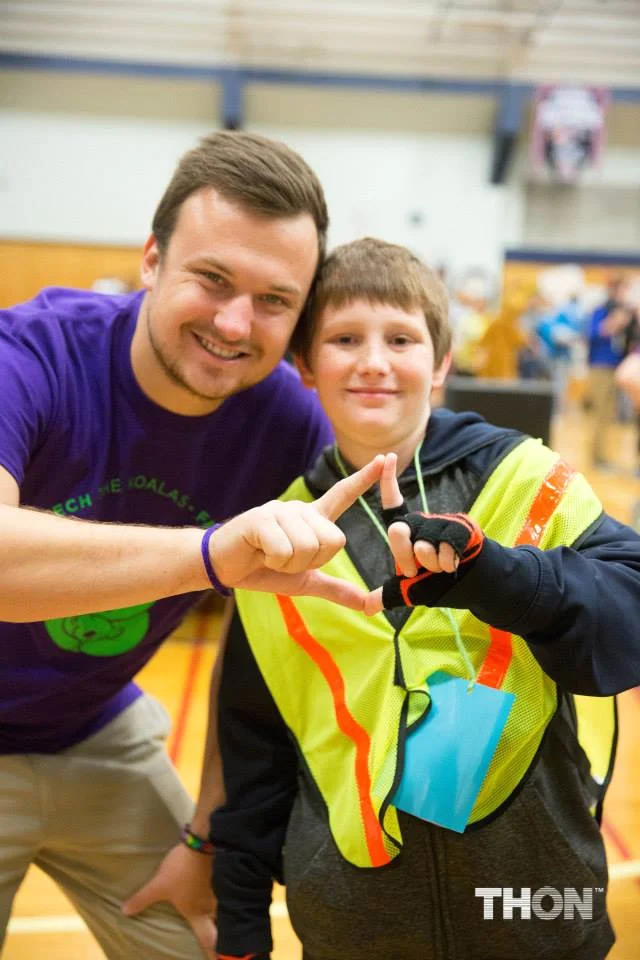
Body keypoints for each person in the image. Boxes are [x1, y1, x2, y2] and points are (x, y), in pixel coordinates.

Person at [0, 130, 388, 960]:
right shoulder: (31, 354)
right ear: (150, 260)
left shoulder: (286, 424)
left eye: (275, 301)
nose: (235, 323)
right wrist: (212, 554)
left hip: (92, 732)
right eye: (212, 279)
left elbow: (269, 654)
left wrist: (209, 835)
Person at [210, 237, 640, 960]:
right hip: (354, 924)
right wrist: (241, 918)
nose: (374, 360)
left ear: (441, 362)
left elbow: (625, 624)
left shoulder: (528, 477)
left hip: (539, 906)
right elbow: (256, 743)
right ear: (306, 365)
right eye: (345, 339)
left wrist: (497, 576)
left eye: (401, 338)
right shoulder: (279, 532)